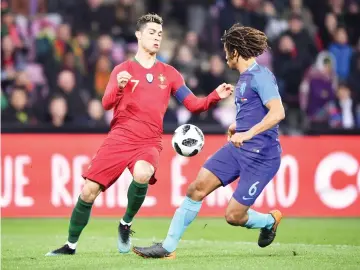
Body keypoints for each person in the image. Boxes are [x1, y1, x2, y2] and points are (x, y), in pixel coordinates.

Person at [46, 13, 233, 256]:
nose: (157, 38)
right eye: (152, 33)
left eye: (160, 34)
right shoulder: (122, 69)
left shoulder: (170, 73)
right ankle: (70, 245)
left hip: (149, 141)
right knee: (88, 191)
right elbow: (105, 103)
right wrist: (119, 87)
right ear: (138, 35)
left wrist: (215, 96)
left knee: (143, 174)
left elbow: (193, 105)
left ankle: (125, 223)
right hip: (120, 137)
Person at [133, 24, 285, 259]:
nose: (224, 55)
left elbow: (277, 113)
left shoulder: (261, 75)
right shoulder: (244, 78)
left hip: (262, 156)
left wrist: (247, 133)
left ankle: (268, 221)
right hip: (238, 148)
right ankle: (168, 247)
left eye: (226, 50)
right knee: (196, 188)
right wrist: (239, 127)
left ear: (235, 51)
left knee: (233, 216)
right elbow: (256, 111)